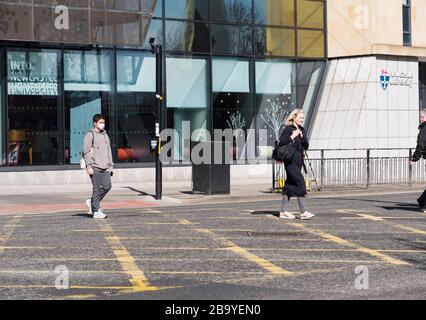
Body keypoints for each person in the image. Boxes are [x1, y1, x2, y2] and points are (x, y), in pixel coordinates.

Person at [278, 109, 314, 220]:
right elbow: (282, 142)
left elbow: (306, 145)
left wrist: (302, 137)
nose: (302, 120)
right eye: (300, 117)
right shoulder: (288, 129)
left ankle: (283, 211)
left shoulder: (302, 129)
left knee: (290, 185)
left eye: (303, 118)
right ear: (294, 117)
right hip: (290, 161)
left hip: (299, 160)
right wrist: (293, 136)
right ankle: (303, 212)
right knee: (300, 183)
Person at [83, 114, 114, 219]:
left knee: (107, 186)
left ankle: (92, 201)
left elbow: (108, 150)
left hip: (105, 166)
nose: (102, 124)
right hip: (94, 166)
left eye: (103, 122)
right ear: (95, 123)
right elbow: (86, 151)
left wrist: (111, 165)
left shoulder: (105, 135)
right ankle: (96, 211)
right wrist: (89, 166)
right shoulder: (90, 135)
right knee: (96, 189)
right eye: (100, 122)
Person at [410, 111, 426, 211]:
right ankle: (422, 201)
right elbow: (420, 145)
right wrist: (415, 158)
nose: (420, 118)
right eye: (420, 116)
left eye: (422, 116)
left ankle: (422, 200)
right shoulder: (424, 129)